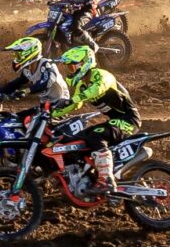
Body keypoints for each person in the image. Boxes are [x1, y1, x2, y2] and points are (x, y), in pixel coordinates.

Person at [52, 44, 142, 194]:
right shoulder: (82, 85)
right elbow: (73, 106)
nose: (70, 71)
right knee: (76, 138)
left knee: (96, 133)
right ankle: (86, 174)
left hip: (128, 120)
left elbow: (98, 88)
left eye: (72, 66)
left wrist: (75, 98)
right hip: (115, 122)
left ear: (84, 63)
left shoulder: (101, 74)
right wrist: (49, 113)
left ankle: (106, 180)